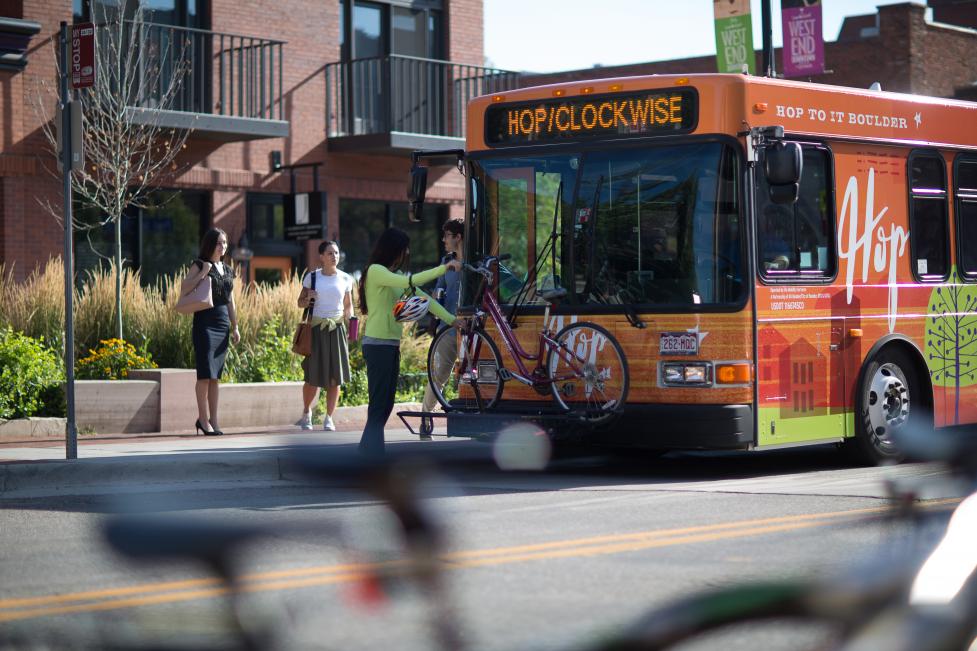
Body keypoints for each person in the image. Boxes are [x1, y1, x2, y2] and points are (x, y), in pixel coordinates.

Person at [357, 227, 461, 458]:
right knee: (378, 405)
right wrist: (444, 268)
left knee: (385, 405)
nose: (407, 253)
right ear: (393, 249)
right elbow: (413, 280)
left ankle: (367, 454)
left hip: (390, 345)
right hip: (377, 345)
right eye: (404, 249)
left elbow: (425, 299)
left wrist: (452, 321)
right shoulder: (376, 271)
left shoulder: (393, 277)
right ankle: (372, 457)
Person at [181, 228, 240, 436]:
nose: (223, 246)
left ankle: (214, 420)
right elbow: (184, 288)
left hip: (223, 323)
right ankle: (203, 420)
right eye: (218, 243)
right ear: (210, 244)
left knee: (216, 377)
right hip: (205, 323)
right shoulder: (199, 264)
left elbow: (230, 300)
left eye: (225, 243)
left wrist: (235, 326)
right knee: (205, 375)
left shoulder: (227, 269)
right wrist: (204, 272)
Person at [295, 240, 354, 432]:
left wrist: (351, 319)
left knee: (334, 378)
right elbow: (300, 303)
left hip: (336, 329)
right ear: (321, 257)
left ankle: (329, 417)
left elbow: (347, 305)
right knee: (312, 377)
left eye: (336, 253)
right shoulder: (312, 278)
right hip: (316, 330)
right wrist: (308, 298)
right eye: (330, 253)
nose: (334, 256)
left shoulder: (346, 278)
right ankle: (306, 413)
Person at [419, 219, 465, 439]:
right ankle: (426, 417)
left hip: (476, 326)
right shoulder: (446, 261)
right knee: (439, 374)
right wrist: (435, 317)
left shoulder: (480, 262)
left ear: (458, 237)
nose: (443, 240)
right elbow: (439, 291)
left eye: (447, 235)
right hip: (448, 326)